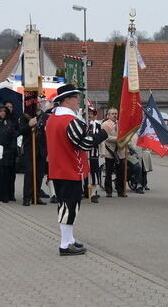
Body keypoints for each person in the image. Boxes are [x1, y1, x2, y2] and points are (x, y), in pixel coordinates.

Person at [46, 85, 107, 256]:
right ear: (66, 99)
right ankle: (65, 244)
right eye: (75, 97)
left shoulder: (53, 118)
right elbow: (85, 143)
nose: (78, 100)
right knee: (69, 205)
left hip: (59, 168)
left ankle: (69, 239)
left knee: (66, 205)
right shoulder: (69, 120)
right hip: (69, 168)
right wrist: (104, 133)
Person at [0, 105, 19, 203]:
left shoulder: (8, 122)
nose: (3, 113)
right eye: (1, 111)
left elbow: (13, 134)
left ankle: (5, 194)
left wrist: (12, 147)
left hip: (8, 152)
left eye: (4, 111)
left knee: (7, 175)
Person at [101, 108, 126, 198]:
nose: (115, 115)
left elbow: (125, 134)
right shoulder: (105, 124)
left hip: (120, 151)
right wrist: (118, 139)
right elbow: (106, 137)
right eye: (112, 114)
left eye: (116, 113)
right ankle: (109, 191)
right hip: (110, 151)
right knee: (108, 172)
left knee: (121, 172)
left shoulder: (121, 123)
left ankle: (121, 191)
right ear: (108, 115)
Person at [85, 107, 103, 203]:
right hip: (84, 152)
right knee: (84, 172)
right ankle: (85, 191)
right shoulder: (83, 124)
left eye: (91, 113)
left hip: (94, 152)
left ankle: (93, 193)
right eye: (88, 113)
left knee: (94, 172)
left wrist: (102, 151)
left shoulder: (97, 125)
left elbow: (101, 139)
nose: (90, 115)